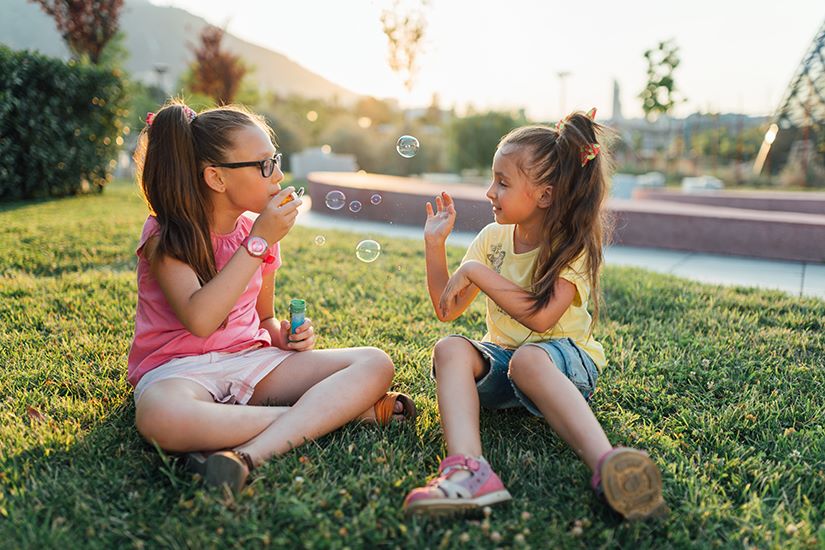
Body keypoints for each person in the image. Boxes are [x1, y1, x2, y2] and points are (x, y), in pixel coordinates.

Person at [128, 101, 415, 494]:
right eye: (263, 165)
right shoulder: (166, 234)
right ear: (216, 177)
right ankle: (334, 416)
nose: (278, 174)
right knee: (161, 416)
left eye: (275, 160)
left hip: (252, 362)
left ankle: (249, 453)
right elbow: (200, 319)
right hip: (178, 371)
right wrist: (258, 240)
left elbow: (263, 321)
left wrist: (286, 336)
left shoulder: (259, 232)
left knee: (374, 363)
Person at [403, 109, 667, 519]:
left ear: (544, 195)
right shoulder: (492, 239)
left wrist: (475, 272)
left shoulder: (570, 245)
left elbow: (542, 319)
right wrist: (435, 247)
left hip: (564, 364)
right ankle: (469, 471)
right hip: (505, 366)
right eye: (493, 179)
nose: (490, 191)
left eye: (503, 182)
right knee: (450, 348)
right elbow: (447, 308)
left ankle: (609, 467)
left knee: (528, 359)